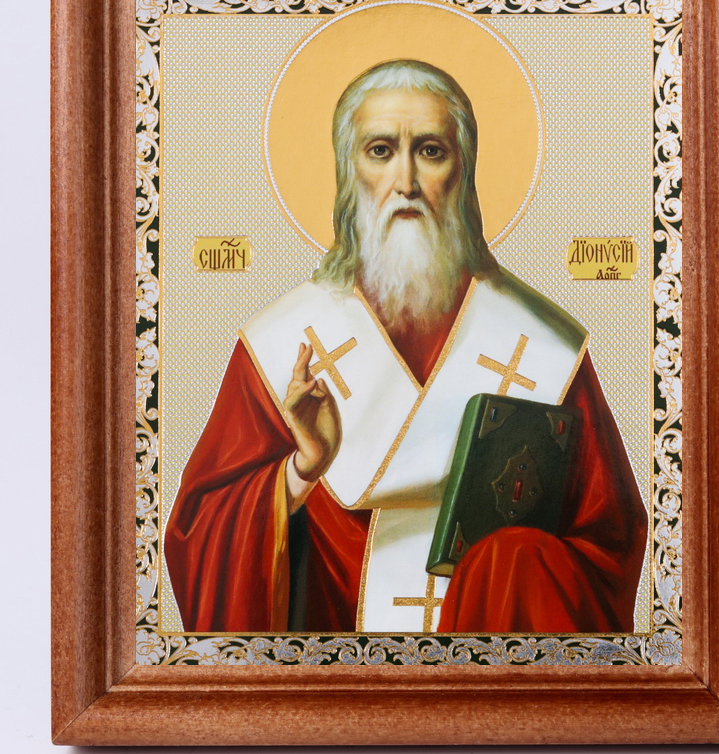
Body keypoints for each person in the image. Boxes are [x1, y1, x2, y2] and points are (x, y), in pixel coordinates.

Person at [165, 59, 647, 635]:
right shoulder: (285, 342)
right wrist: (300, 471)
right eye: (380, 151)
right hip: (336, 660)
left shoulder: (542, 344)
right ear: (348, 173)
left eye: (430, 151)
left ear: (463, 172)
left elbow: (608, 541)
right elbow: (200, 531)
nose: (406, 182)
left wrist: (516, 564)